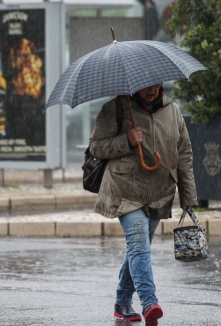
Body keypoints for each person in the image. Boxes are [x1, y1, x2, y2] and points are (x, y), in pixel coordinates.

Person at [88, 83, 197, 326]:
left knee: (138, 249)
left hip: (159, 192)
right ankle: (149, 302)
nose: (152, 91)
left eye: (156, 85)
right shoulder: (117, 107)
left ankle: (122, 301)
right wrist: (126, 139)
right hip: (125, 190)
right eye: (147, 87)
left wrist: (188, 196)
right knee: (138, 245)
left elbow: (184, 153)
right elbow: (95, 147)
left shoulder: (173, 110)